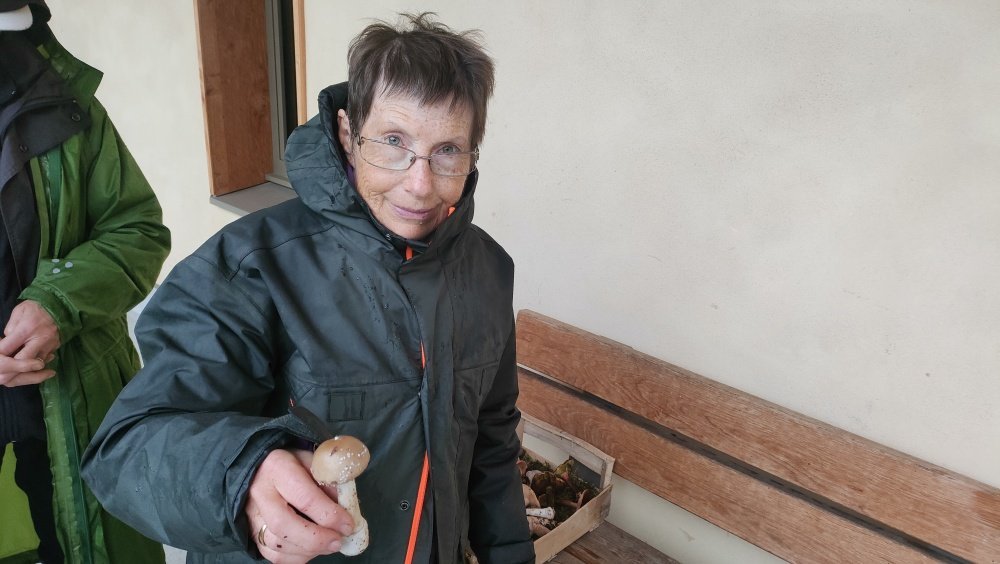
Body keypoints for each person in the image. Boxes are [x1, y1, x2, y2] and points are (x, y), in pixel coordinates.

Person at [81, 12, 534, 564]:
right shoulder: (250, 266)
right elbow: (128, 447)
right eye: (394, 140)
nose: (419, 183)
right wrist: (241, 474)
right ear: (348, 132)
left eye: (447, 151)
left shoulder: (488, 270)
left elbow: (491, 440)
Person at [0, 0, 171, 562]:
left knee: (74, 536)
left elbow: (138, 229)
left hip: (65, 389)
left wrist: (58, 300)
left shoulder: (62, 96)